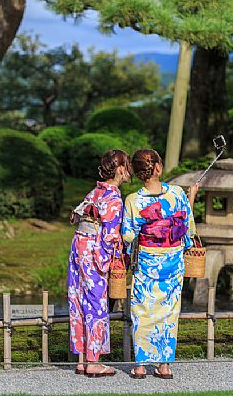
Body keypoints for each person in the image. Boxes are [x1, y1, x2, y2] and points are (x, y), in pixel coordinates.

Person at [122, 149, 198, 379]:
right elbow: (188, 229)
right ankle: (164, 366)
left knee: (142, 310)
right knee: (169, 311)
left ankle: (140, 366)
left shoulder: (134, 200)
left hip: (147, 260)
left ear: (137, 172)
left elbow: (128, 236)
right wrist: (191, 196)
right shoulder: (176, 193)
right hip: (173, 260)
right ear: (157, 168)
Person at [68, 149, 131, 377]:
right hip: (95, 249)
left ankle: (82, 359)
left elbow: (76, 216)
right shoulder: (114, 197)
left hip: (78, 245)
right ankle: (94, 362)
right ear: (120, 169)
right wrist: (115, 258)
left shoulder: (94, 192)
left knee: (78, 298)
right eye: (127, 166)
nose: (129, 171)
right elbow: (111, 236)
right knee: (96, 302)